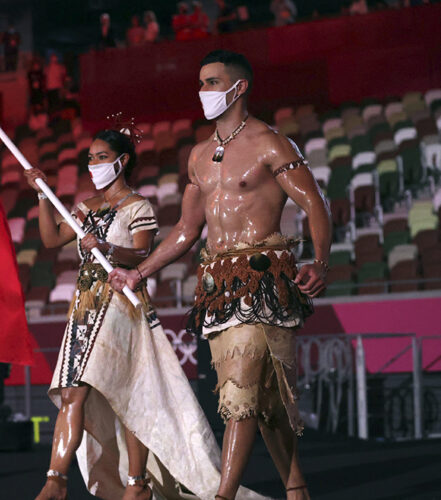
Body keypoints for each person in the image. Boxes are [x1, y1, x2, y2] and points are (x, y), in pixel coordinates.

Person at [110, 50, 330, 500]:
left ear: (239, 87)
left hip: (264, 280)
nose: (203, 91)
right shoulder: (197, 156)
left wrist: (320, 261)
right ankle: (296, 489)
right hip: (217, 288)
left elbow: (315, 204)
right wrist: (140, 272)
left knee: (240, 395)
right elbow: (187, 230)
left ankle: (223, 495)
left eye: (212, 82)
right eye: (202, 82)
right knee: (263, 404)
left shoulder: (272, 144)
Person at [28, 123, 270, 500]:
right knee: (73, 390)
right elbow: (50, 239)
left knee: (125, 396)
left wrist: (108, 248)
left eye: (102, 157)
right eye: (90, 158)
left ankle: (136, 484)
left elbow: (142, 252)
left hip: (121, 306)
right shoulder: (84, 208)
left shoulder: (138, 206)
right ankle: (55, 480)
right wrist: (43, 196)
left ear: (122, 162)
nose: (94, 164)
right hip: (84, 308)